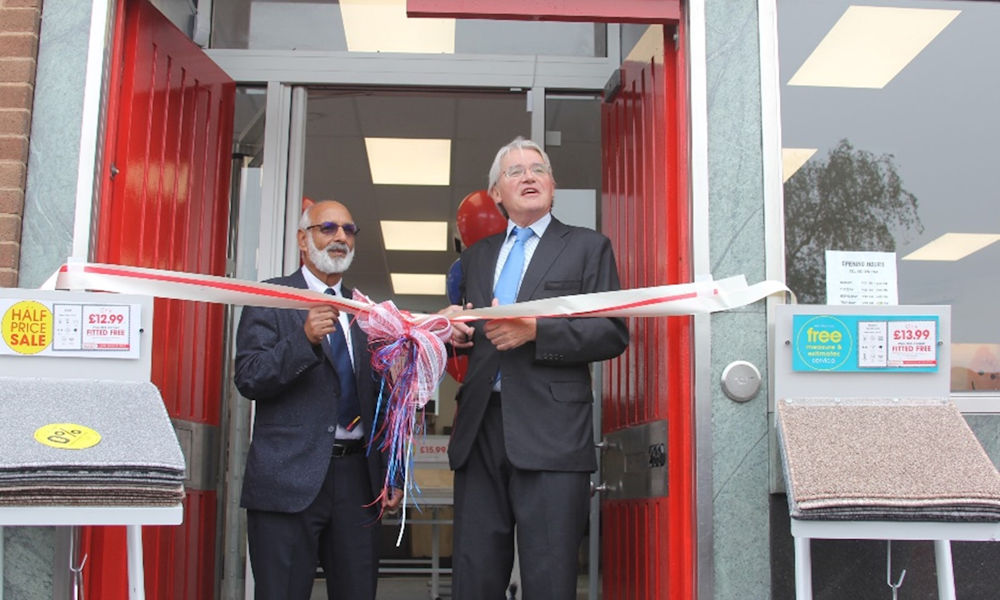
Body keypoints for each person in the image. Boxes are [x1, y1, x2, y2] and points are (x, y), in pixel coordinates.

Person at [443, 137, 630, 599]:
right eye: (515, 172)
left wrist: (537, 331)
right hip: (480, 431)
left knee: (549, 579)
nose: (528, 177)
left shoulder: (589, 248)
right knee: (474, 576)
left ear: (552, 185)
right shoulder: (476, 257)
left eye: (537, 169)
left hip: (552, 435)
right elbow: (475, 339)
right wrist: (456, 336)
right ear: (496, 195)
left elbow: (612, 332)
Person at [234, 199, 402, 600]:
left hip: (358, 483)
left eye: (348, 230)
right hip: (287, 480)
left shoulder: (367, 313)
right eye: (328, 228)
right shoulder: (271, 298)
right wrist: (303, 339)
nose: (340, 237)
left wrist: (391, 469)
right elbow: (249, 377)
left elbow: (379, 401)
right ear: (302, 240)